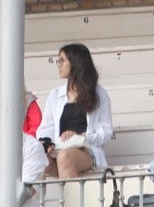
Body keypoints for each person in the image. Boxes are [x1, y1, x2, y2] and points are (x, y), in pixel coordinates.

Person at [40, 42, 115, 178]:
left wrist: (80, 136)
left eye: (62, 60)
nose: (59, 65)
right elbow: (46, 127)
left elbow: (106, 132)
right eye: (58, 61)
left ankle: (71, 200)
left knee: (64, 157)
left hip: (86, 150)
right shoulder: (55, 94)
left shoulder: (99, 93)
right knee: (37, 159)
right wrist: (46, 143)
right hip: (59, 148)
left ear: (75, 63)